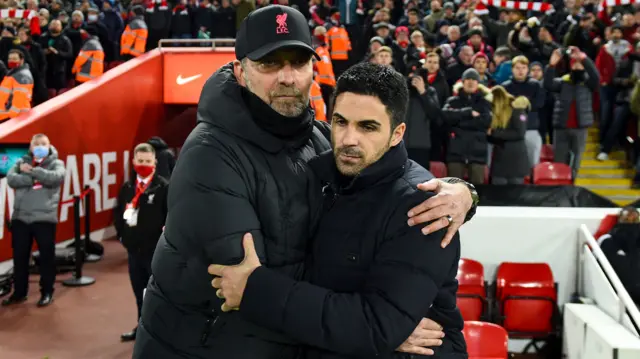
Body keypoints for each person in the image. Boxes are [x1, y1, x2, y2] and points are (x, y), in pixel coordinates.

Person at [133, 5, 478, 359]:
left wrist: (462, 192)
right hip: (201, 346)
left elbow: (389, 170)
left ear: (313, 69)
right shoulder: (210, 155)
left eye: (298, 63)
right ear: (240, 71)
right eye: (269, 63)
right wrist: (379, 328)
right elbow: (244, 285)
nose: (288, 77)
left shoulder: (319, 137)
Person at [210, 62, 467, 358]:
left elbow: (378, 326)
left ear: (397, 134)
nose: (348, 139)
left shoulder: (424, 206)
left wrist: (256, 290)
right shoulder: (319, 176)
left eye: (367, 127)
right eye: (341, 122)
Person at [2, 134, 65, 307]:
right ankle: (19, 293)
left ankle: (47, 293)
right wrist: (34, 179)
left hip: (44, 218)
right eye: (35, 144)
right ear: (30, 147)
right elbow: (11, 179)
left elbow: (56, 178)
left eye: (42, 144)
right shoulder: (20, 162)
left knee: (46, 258)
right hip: (21, 218)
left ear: (49, 145)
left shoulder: (57, 163)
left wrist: (33, 171)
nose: (39, 147)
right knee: (19, 258)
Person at [113, 143, 169, 342]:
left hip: (155, 251)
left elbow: (170, 217)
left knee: (157, 293)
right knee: (139, 291)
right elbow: (118, 213)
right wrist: (122, 236)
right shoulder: (128, 188)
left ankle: (160, 331)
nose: (143, 164)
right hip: (133, 251)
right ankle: (142, 327)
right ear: (134, 162)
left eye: (147, 161)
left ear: (154, 162)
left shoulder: (163, 187)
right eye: (140, 161)